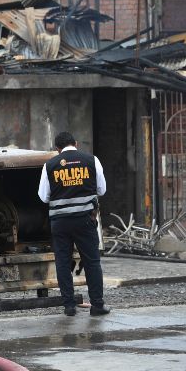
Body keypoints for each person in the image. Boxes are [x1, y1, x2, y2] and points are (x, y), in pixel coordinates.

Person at [38, 131, 110, 317]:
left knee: (63, 263)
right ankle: (97, 305)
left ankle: (69, 306)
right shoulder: (92, 160)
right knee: (92, 262)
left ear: (57, 149)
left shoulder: (50, 165)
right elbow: (101, 189)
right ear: (76, 143)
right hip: (85, 220)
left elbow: (43, 197)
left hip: (60, 223)